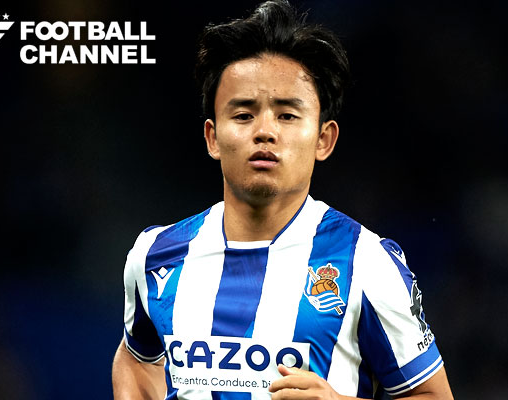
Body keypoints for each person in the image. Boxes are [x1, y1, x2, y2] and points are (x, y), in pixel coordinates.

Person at [112, 1, 454, 399]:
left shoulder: (367, 262)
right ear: (212, 137)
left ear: (324, 139)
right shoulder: (154, 255)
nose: (265, 131)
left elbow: (432, 395)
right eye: (243, 115)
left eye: (287, 115)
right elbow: (136, 359)